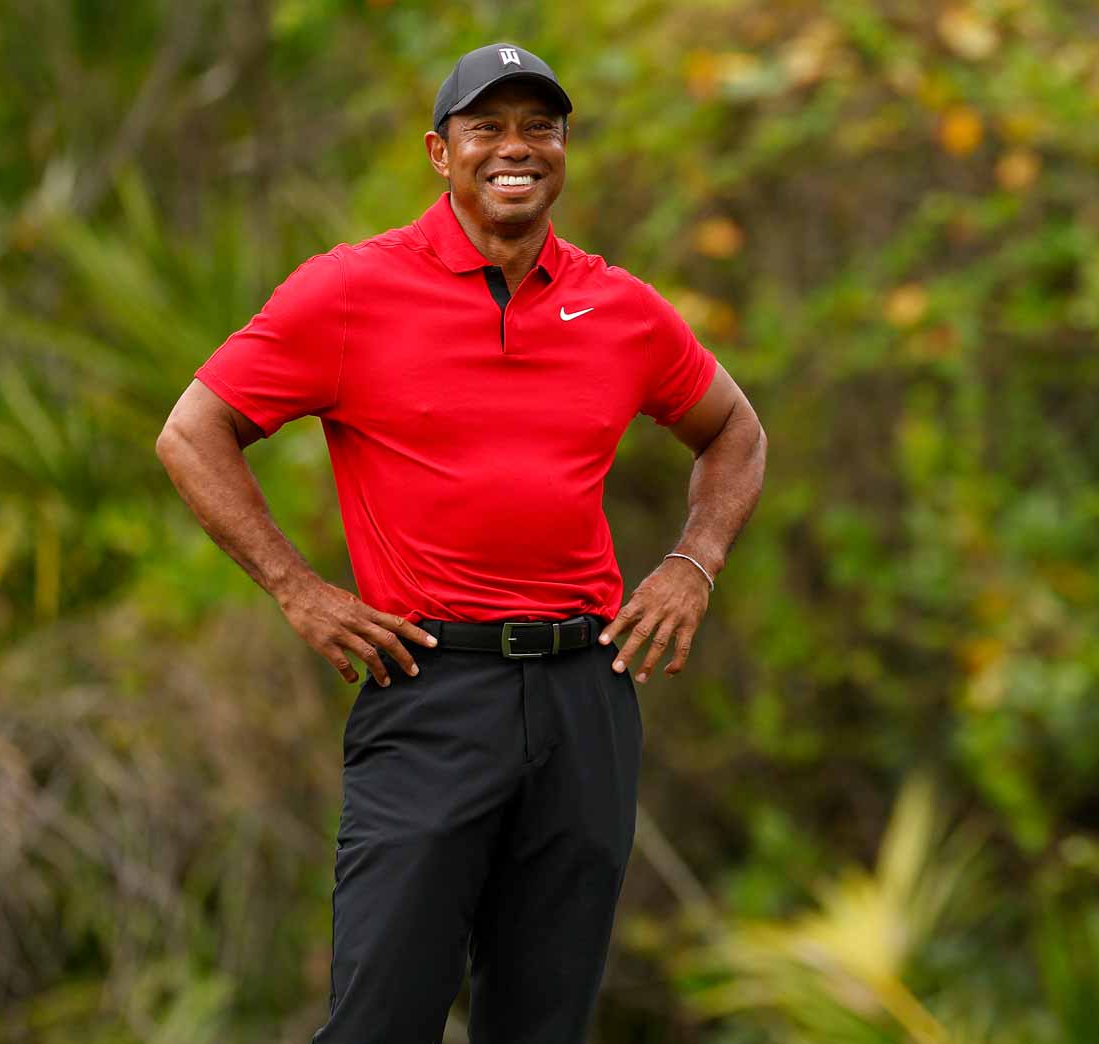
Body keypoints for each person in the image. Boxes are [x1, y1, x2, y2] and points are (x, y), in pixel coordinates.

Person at [154, 43, 766, 1043]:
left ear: (564, 148)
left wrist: (691, 564)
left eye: (540, 127)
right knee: (381, 1019)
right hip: (432, 688)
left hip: (586, 697)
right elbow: (191, 432)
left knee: (543, 1021)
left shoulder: (620, 307)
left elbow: (735, 432)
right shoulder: (348, 290)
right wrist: (297, 589)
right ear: (440, 153)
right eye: (487, 128)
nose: (516, 149)